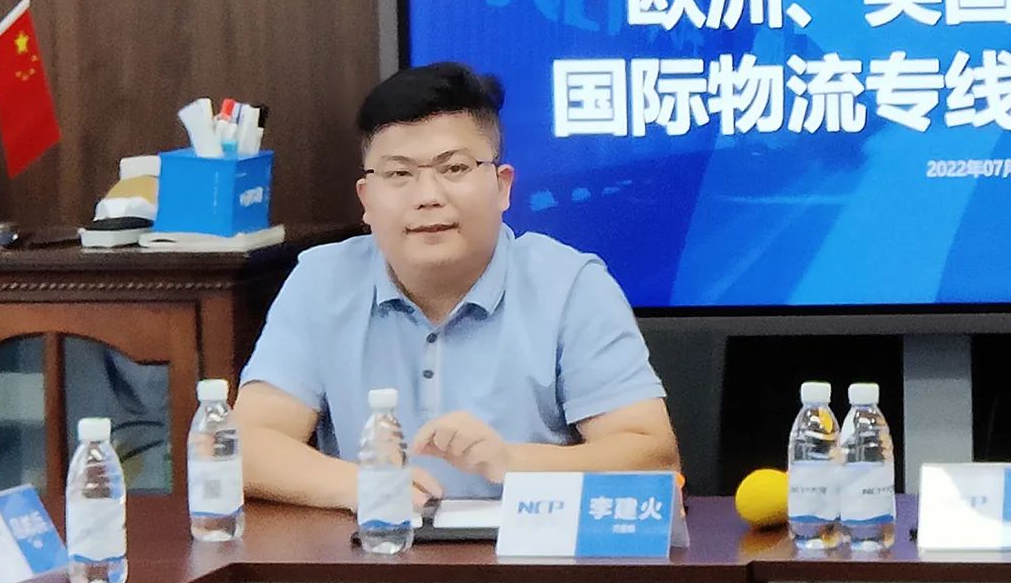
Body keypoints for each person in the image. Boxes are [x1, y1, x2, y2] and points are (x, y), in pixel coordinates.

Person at [234, 62, 680, 509]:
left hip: (529, 548)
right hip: (376, 545)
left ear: (502, 187)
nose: (428, 196)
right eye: (399, 174)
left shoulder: (571, 286)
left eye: (454, 168)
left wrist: (513, 462)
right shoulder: (321, 280)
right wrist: (366, 487)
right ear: (366, 199)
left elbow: (654, 458)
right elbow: (245, 445)